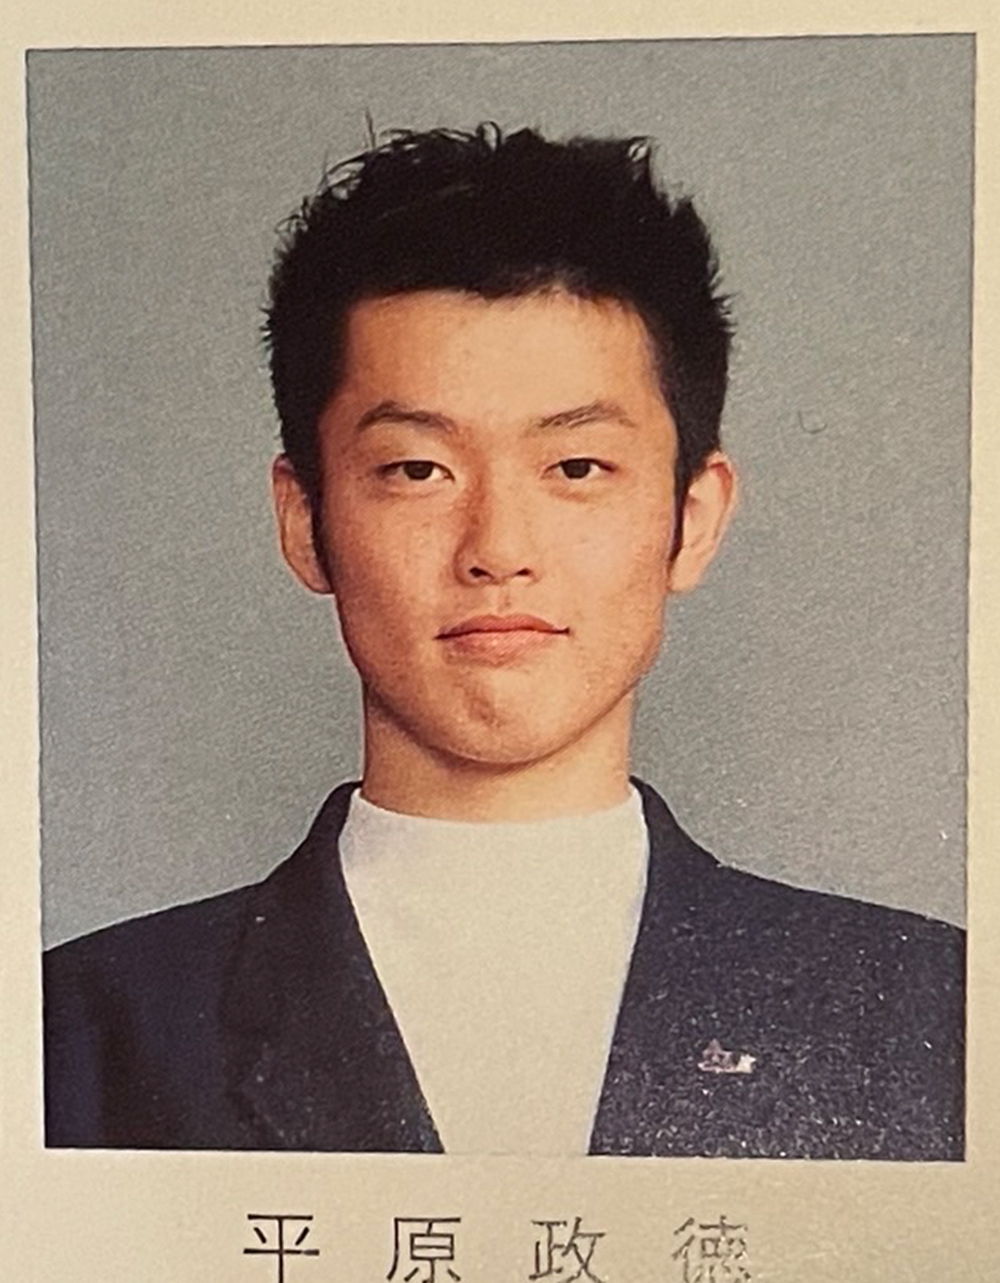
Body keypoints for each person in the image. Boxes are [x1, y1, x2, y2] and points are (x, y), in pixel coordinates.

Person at [43, 125, 964, 1158]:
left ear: (693, 517)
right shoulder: (76, 1037)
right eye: (416, 470)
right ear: (305, 521)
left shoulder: (933, 1017)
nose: (498, 550)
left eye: (575, 468)